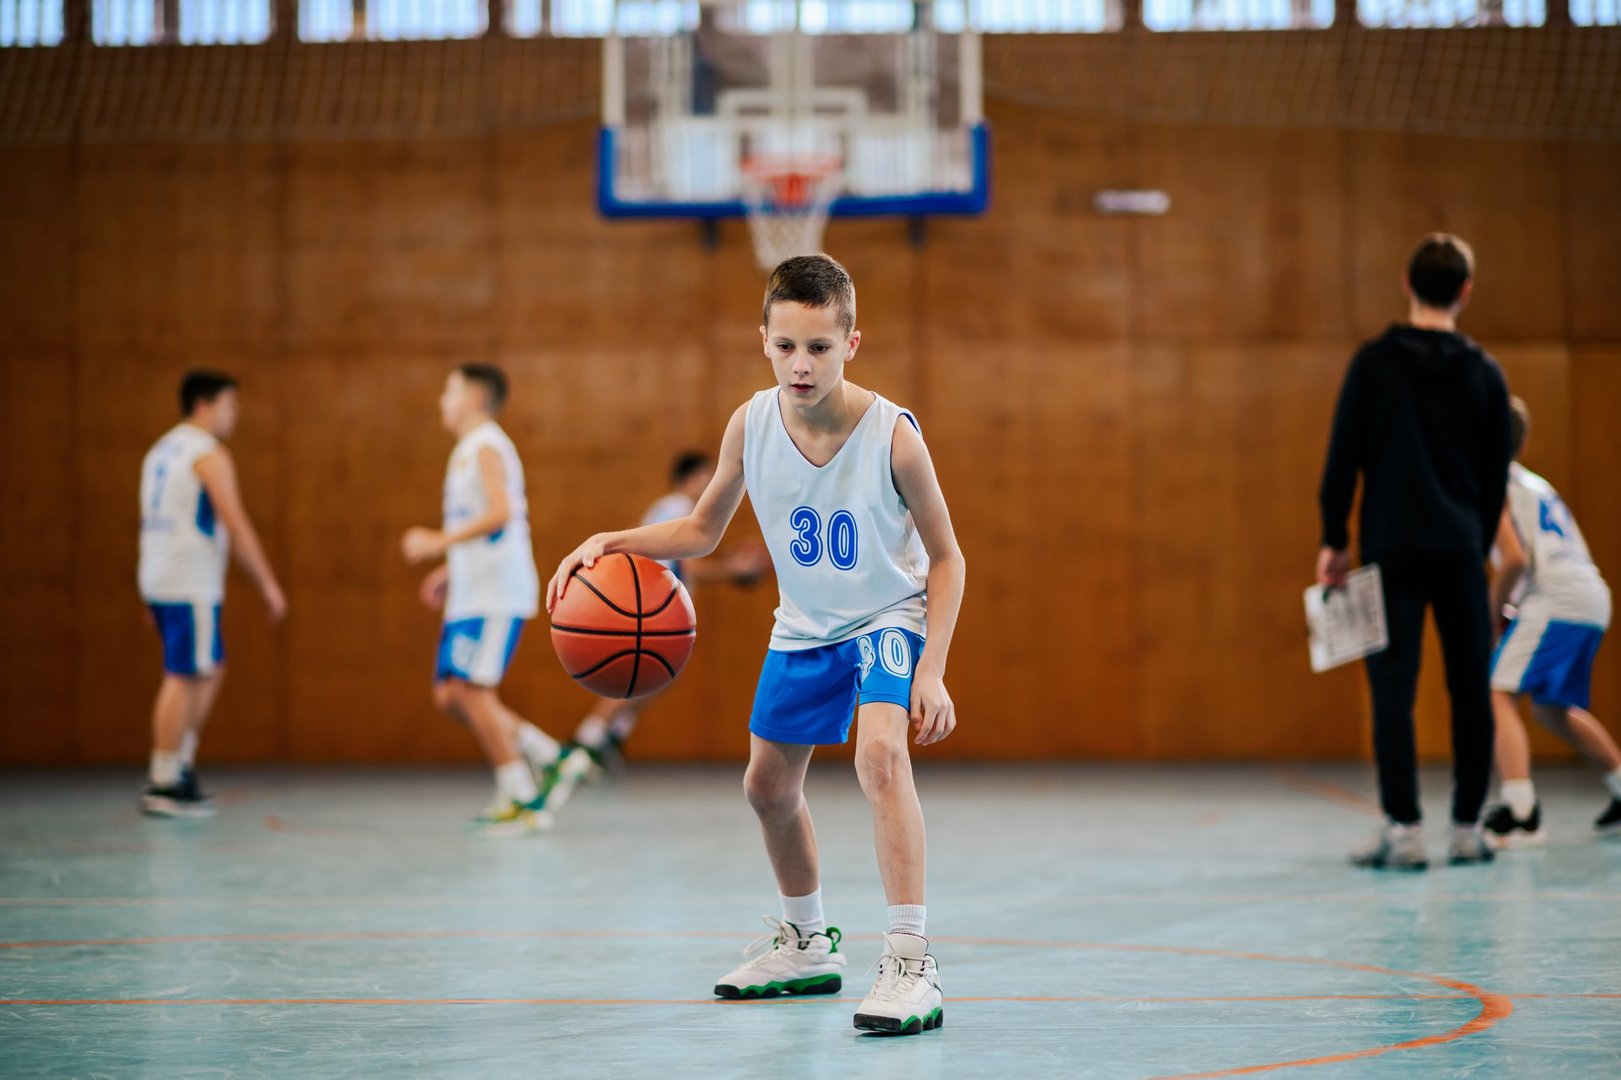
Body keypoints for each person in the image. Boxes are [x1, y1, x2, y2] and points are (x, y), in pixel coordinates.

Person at [548, 254, 965, 1035]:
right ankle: (806, 944)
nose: (800, 364)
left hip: (884, 617)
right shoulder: (751, 422)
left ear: (851, 344)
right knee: (766, 788)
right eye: (785, 346)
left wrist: (931, 670)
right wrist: (610, 539)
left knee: (880, 757)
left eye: (819, 347)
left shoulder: (894, 437)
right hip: (803, 625)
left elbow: (947, 558)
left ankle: (911, 962)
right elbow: (701, 530)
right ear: (763, 341)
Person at [1317, 233, 1514, 870]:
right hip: (1459, 549)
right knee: (1470, 688)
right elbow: (1495, 478)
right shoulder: (1485, 374)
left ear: (1407, 283)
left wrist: (1334, 539)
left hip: (1391, 547)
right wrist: (1475, 541)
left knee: (1392, 691)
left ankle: (1403, 832)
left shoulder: (1373, 365)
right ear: (1466, 292)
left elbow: (1342, 460)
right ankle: (1467, 829)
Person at [403, 364, 588, 837]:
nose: (442, 400)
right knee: (450, 695)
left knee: (471, 691)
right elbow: (482, 523)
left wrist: (438, 542)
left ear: (474, 398)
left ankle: (521, 797)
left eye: (449, 390)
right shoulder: (467, 448)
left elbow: (502, 513)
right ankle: (552, 756)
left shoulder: (487, 444)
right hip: (471, 590)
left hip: (495, 592)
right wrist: (451, 569)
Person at [137, 370, 286, 817]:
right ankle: (165, 780)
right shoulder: (207, 453)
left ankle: (179, 763)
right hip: (189, 578)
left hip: (162, 574)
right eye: (229, 405)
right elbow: (236, 524)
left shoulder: (162, 449)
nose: (234, 415)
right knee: (184, 675)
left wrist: (149, 586)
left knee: (210, 667)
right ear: (203, 405)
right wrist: (268, 583)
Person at [571, 450, 770, 771]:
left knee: (657, 675)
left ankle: (612, 733)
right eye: (706, 477)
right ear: (688, 479)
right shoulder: (680, 508)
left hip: (647, 602)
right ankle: (587, 739)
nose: (712, 483)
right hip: (650, 606)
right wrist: (733, 569)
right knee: (644, 673)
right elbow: (690, 568)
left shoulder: (664, 508)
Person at [1483, 397, 1621, 846]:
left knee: (1497, 691)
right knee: (1551, 707)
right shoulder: (1536, 484)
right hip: (1590, 596)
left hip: (1556, 598)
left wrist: (1491, 612)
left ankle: (1521, 812)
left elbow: (1514, 560)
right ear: (1522, 445)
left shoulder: (1493, 483)